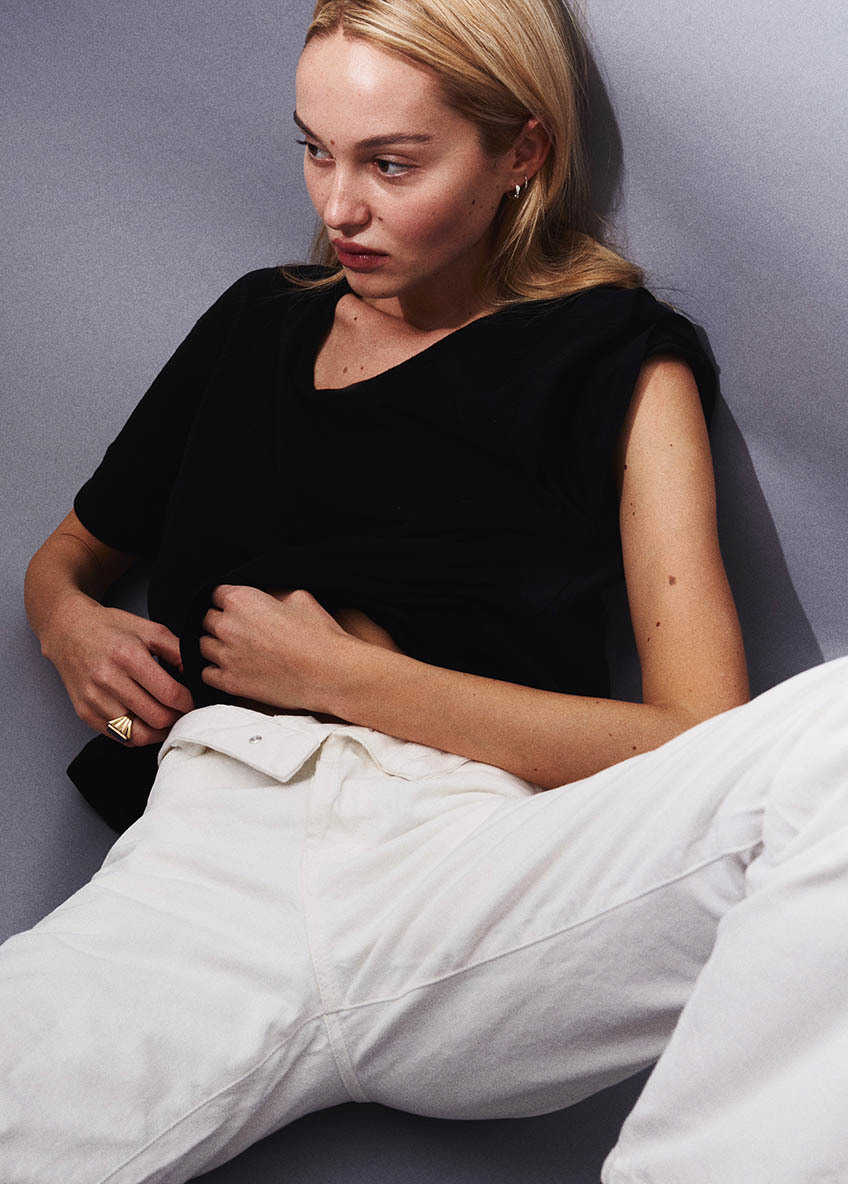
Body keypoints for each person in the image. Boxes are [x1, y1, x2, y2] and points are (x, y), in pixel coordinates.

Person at [7, 0, 848, 1181]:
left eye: (390, 164)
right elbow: (70, 554)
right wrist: (67, 623)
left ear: (521, 153)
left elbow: (694, 735)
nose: (337, 206)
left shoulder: (615, 358)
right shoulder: (254, 323)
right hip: (207, 863)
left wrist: (352, 679)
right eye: (315, 150)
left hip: (478, 871)